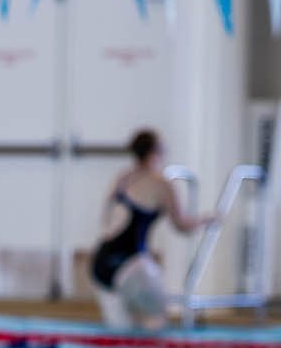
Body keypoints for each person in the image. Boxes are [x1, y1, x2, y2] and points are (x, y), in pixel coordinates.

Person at [88, 130, 215, 331]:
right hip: (131, 262)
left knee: (120, 333)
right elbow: (182, 225)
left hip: (100, 264)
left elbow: (106, 218)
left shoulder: (123, 178)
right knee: (156, 321)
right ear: (156, 152)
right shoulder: (161, 183)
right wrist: (206, 220)